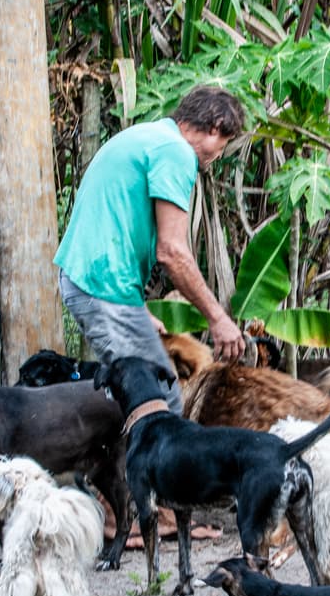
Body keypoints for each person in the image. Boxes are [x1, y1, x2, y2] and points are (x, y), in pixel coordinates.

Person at [54, 85, 247, 414]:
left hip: (94, 283)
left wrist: (138, 308)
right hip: (103, 290)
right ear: (214, 127)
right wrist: (218, 318)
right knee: (163, 399)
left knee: (133, 395)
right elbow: (172, 251)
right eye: (224, 143)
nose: (218, 156)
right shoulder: (176, 153)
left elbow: (115, 227)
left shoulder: (149, 136)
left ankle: (112, 465)